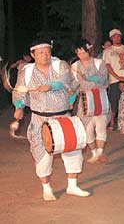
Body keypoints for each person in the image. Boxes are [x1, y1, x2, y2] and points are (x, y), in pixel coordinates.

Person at [12, 38, 90, 201]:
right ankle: (46, 188)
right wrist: (19, 107)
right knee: (42, 155)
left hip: (62, 116)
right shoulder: (26, 71)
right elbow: (20, 92)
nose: (45, 55)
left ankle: (72, 186)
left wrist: (52, 86)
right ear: (33, 54)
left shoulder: (60, 65)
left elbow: (65, 81)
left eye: (47, 51)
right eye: (41, 52)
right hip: (39, 119)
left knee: (72, 150)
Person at [71, 39, 109, 163]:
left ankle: (99, 153)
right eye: (79, 53)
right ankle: (93, 153)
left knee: (101, 127)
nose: (82, 56)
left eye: (84, 52)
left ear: (89, 50)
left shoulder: (99, 63)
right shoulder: (75, 66)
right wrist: (71, 101)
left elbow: (104, 79)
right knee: (86, 129)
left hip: (99, 97)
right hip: (85, 100)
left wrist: (88, 77)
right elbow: (75, 85)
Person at [102, 29, 124, 130]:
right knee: (114, 101)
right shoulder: (108, 51)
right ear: (111, 38)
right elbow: (107, 66)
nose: (117, 38)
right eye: (114, 36)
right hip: (115, 79)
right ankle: (112, 122)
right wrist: (117, 77)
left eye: (118, 36)